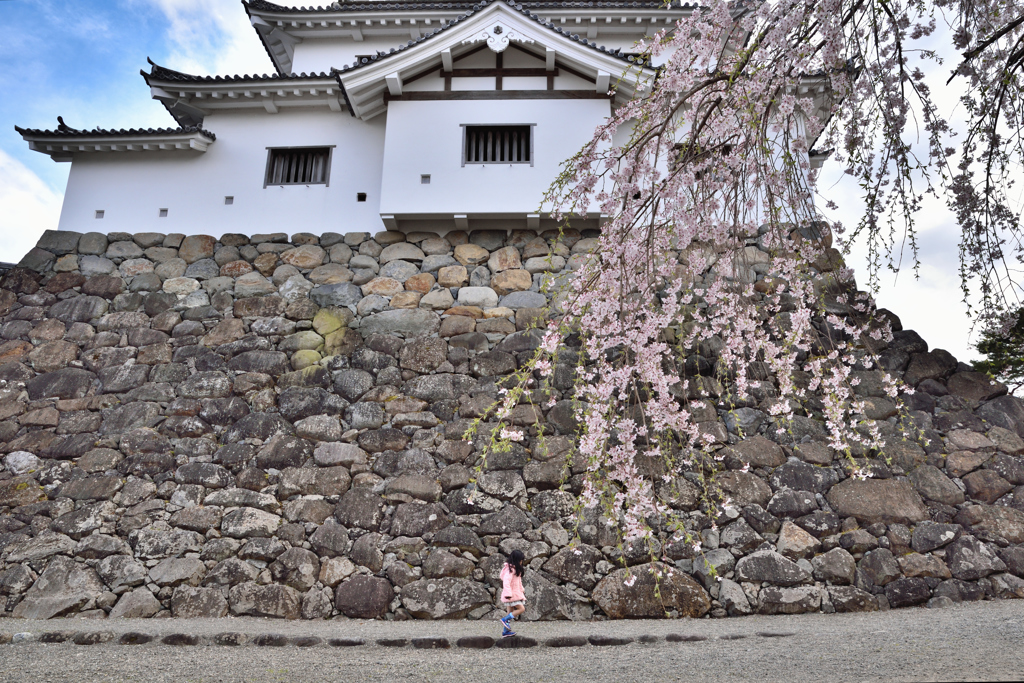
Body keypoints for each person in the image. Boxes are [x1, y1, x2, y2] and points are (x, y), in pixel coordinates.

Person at [499, 550, 526, 638]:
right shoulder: (511, 570)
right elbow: (506, 582)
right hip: (512, 594)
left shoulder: (514, 569)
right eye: (520, 560)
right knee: (521, 609)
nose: (521, 562)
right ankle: (504, 619)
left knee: (510, 613)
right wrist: (508, 593)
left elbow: (518, 581)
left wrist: (522, 589)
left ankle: (505, 632)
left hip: (513, 593)